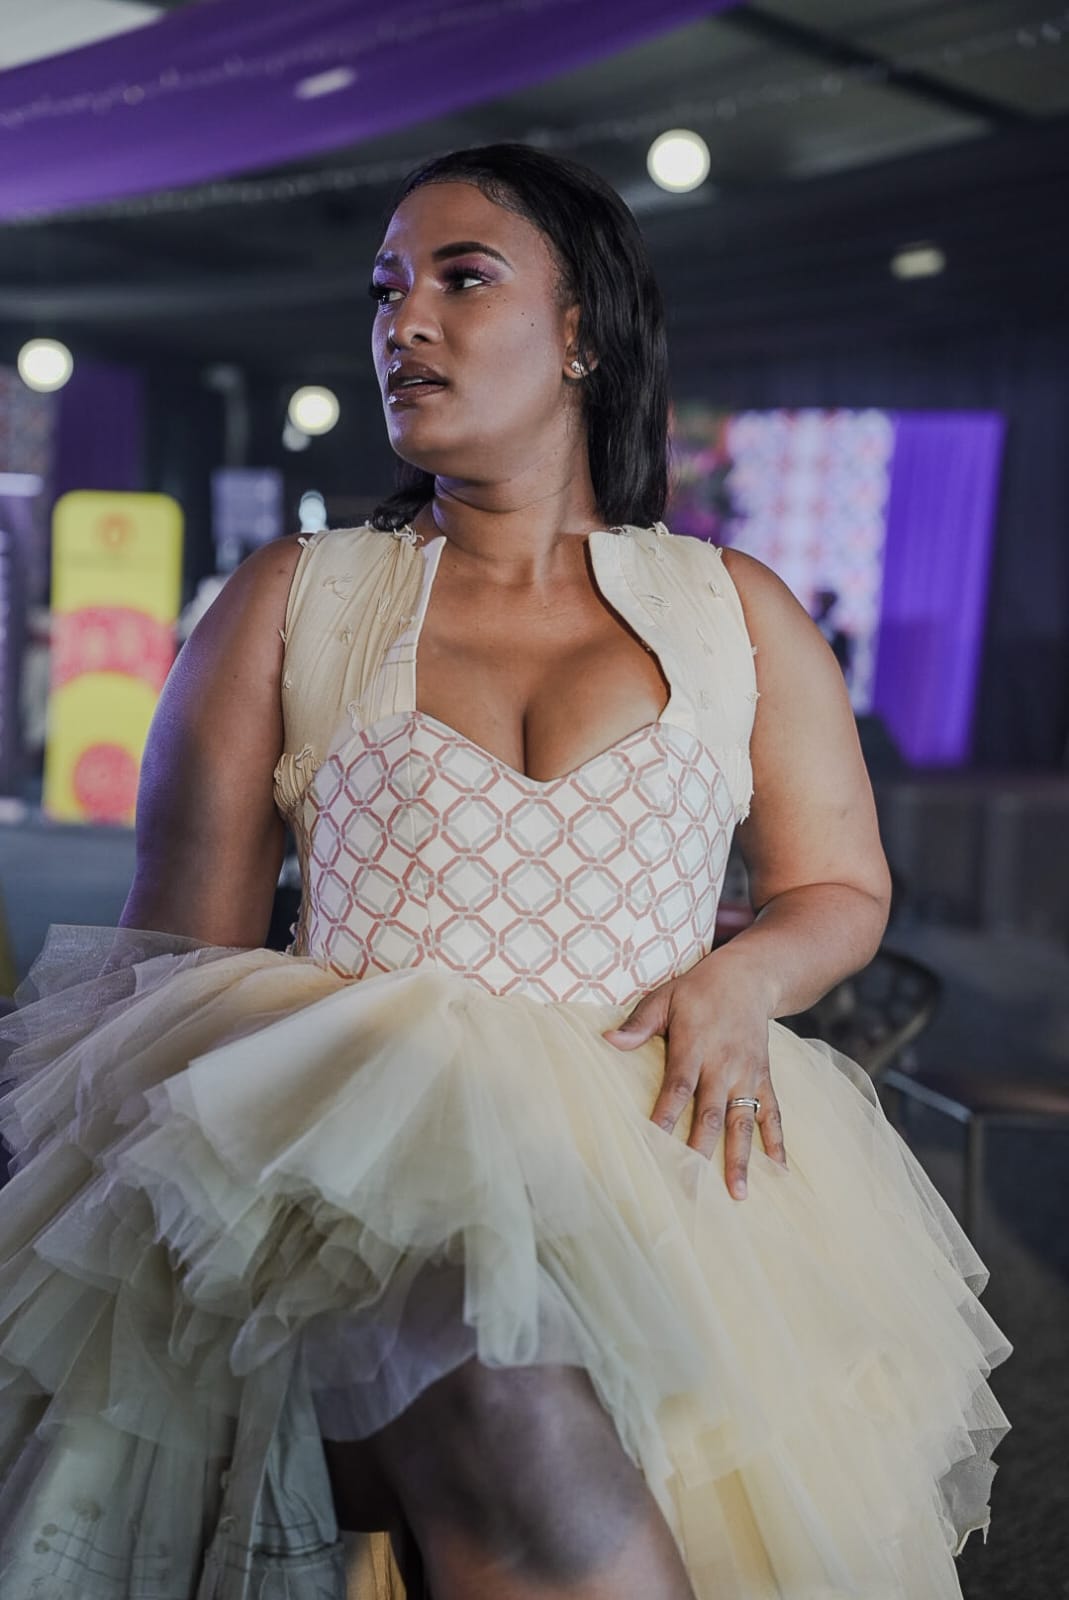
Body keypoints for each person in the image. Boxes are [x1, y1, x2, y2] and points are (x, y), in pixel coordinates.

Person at [0, 144, 1009, 1600]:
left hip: (669, 1171)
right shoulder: (294, 600)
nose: (403, 321)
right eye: (385, 289)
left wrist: (743, 980)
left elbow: (839, 891)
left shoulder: (735, 612)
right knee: (488, 1350)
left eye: (461, 279)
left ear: (581, 331)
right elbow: (174, 971)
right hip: (346, 1181)